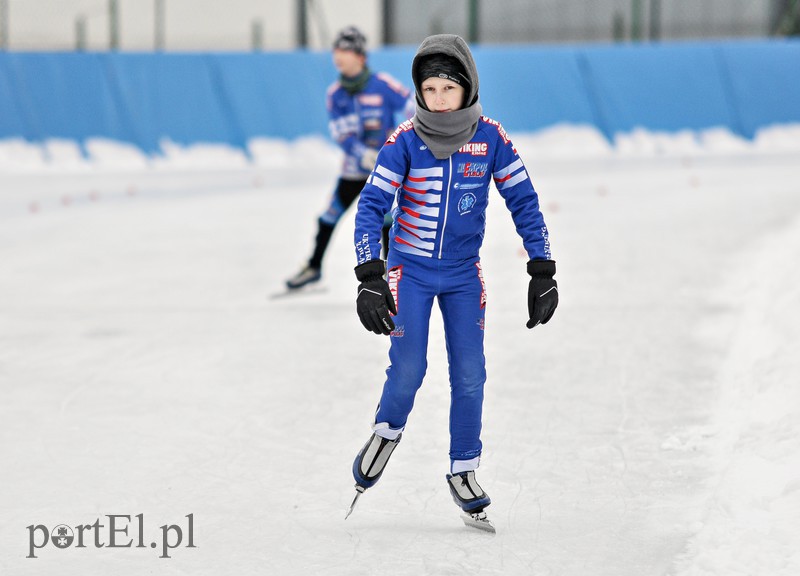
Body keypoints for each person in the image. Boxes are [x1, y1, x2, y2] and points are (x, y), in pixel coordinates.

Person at [348, 34, 559, 528]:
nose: (439, 99)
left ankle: (464, 469)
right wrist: (370, 276)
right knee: (409, 369)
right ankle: (386, 433)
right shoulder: (404, 141)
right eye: (430, 89)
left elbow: (524, 201)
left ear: (468, 88)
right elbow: (371, 206)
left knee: (470, 374)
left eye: (448, 88)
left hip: (463, 274)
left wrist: (542, 269)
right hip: (410, 272)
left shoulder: (491, 138)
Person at [285, 26, 414, 290]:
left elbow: (414, 108)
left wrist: (404, 145)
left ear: (360, 56)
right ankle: (313, 267)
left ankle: (393, 273)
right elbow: (341, 133)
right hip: (354, 171)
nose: (338, 56)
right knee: (329, 216)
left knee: (387, 220)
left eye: (345, 50)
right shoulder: (336, 94)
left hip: (385, 170)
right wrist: (363, 155)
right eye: (336, 50)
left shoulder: (383, 84)